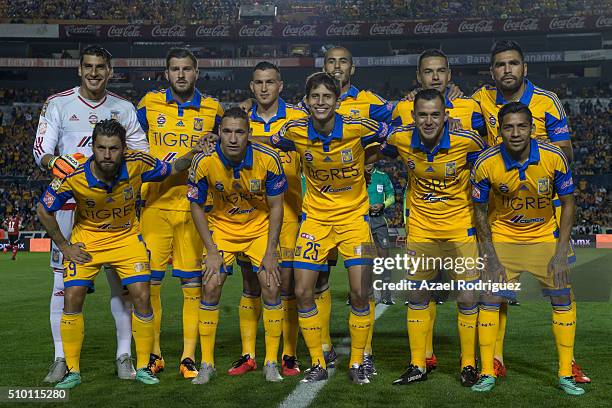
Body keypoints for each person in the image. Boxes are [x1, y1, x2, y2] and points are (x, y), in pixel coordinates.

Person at [36, 119, 201, 389]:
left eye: (113, 148)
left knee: (142, 295)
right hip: (88, 240)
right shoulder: (73, 173)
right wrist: (64, 246)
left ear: (123, 148)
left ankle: (145, 365)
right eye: (101, 148)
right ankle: (72, 370)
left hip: (126, 239)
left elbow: (171, 168)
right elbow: (44, 209)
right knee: (72, 297)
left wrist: (192, 154)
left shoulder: (138, 163)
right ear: (93, 147)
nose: (107, 154)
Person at [259, 72, 391, 384]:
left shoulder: (358, 127)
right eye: (315, 97)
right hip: (314, 222)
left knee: (361, 291)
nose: (320, 102)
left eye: (327, 97)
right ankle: (318, 361)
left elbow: (392, 135)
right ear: (306, 101)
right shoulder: (294, 130)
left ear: (337, 101)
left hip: (356, 221)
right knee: (303, 291)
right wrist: (229, 139)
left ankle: (358, 361)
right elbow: (270, 141)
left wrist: (369, 158)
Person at [472, 40, 588, 383]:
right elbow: (448, 110)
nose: (507, 70)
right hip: (497, 209)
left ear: (524, 68)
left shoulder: (546, 101)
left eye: (513, 64)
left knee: (561, 290)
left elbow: (565, 149)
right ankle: (493, 360)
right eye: (500, 65)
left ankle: (569, 363)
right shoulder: (480, 99)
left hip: (540, 204)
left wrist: (526, 159)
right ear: (492, 71)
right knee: (495, 293)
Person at [33, 45, 149, 383]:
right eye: (88, 66)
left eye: (101, 67)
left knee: (122, 286)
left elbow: (141, 151)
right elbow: (42, 149)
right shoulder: (58, 103)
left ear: (110, 71)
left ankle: (124, 356)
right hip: (71, 206)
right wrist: (55, 163)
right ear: (79, 70)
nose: (94, 72)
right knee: (63, 285)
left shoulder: (124, 108)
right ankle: (61, 359)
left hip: (114, 204)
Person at [372, 89, 486, 386]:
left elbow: (489, 169)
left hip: (460, 228)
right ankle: (417, 364)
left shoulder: (467, 142)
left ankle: (468, 364)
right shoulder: (401, 138)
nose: (429, 120)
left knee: (467, 296)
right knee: (417, 295)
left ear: (446, 116)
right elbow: (367, 141)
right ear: (413, 116)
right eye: (422, 114)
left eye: (435, 114)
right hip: (422, 229)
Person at [136, 47, 224, 378]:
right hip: (155, 205)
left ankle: (188, 357)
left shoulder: (213, 108)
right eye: (175, 69)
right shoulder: (148, 104)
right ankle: (154, 354)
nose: (181, 74)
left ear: (197, 72)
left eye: (187, 69)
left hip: (194, 208)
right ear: (167, 73)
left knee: (192, 284)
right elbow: (131, 142)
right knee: (150, 284)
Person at [188, 107, 287, 384]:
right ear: (219, 132)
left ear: (249, 135)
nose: (233, 138)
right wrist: (210, 251)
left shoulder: (269, 159)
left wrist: (270, 251)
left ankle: (270, 362)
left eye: (239, 132)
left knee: (271, 284)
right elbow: (196, 207)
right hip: (222, 228)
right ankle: (206, 363)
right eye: (227, 131)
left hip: (259, 228)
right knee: (210, 284)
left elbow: (277, 207)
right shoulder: (204, 161)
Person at [229, 62, 307, 378]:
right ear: (251, 86)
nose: (264, 88)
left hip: (286, 215)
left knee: (283, 285)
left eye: (270, 82)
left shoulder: (298, 120)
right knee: (250, 286)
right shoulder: (240, 122)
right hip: (249, 217)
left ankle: (288, 355)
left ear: (281, 85)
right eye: (259, 82)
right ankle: (248, 354)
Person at [365, 163, 395, 304]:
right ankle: (360, 294)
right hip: (362, 222)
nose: (368, 163)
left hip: (379, 222)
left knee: (385, 260)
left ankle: (386, 295)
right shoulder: (357, 175)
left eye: (371, 160)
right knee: (363, 261)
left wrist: (383, 204)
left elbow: (391, 196)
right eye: (366, 159)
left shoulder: (382, 177)